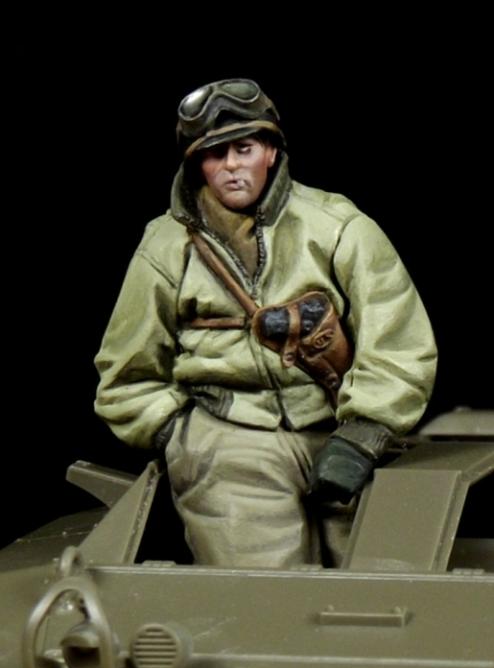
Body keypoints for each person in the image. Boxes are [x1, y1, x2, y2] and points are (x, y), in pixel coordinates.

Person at [94, 79, 437, 568]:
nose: (232, 166)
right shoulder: (166, 248)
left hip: (341, 426)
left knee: (383, 578)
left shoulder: (336, 226)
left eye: (245, 149)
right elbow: (126, 369)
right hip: (230, 438)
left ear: (271, 153)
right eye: (215, 154)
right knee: (264, 592)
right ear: (197, 164)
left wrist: (367, 431)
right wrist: (183, 438)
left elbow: (399, 339)